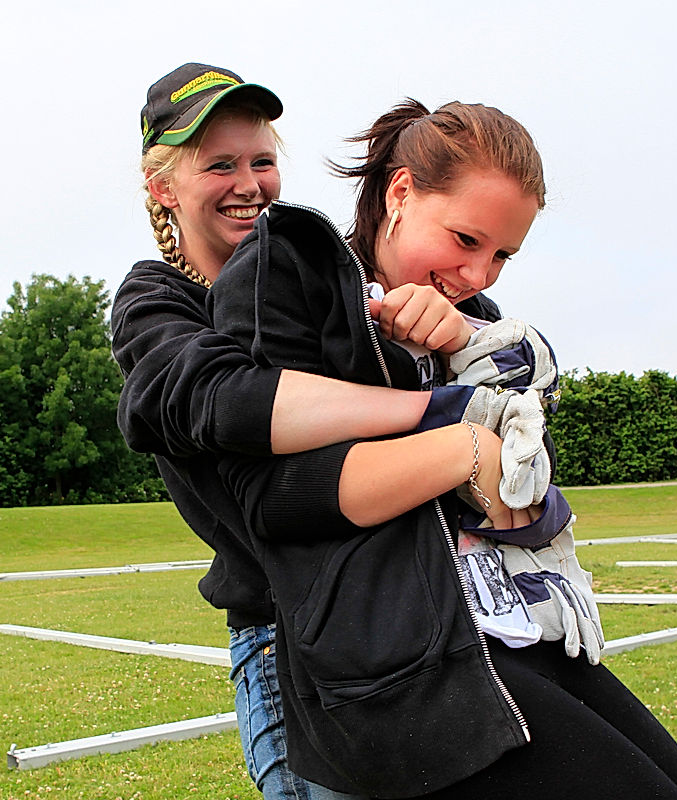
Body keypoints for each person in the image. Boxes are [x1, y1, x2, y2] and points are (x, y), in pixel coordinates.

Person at [210, 99, 677, 799]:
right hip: (393, 658)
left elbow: (525, 490)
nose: (479, 275)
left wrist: (465, 346)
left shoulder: (478, 323)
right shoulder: (293, 273)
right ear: (400, 193)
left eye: (502, 255)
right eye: (466, 239)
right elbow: (274, 499)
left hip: (507, 626)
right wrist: (462, 447)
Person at [113, 64, 519, 800]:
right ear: (162, 187)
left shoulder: (325, 281)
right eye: (220, 165)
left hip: (411, 613)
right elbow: (219, 399)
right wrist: (443, 419)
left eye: (262, 161)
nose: (249, 183)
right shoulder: (157, 300)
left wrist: (453, 334)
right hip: (285, 637)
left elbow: (513, 378)